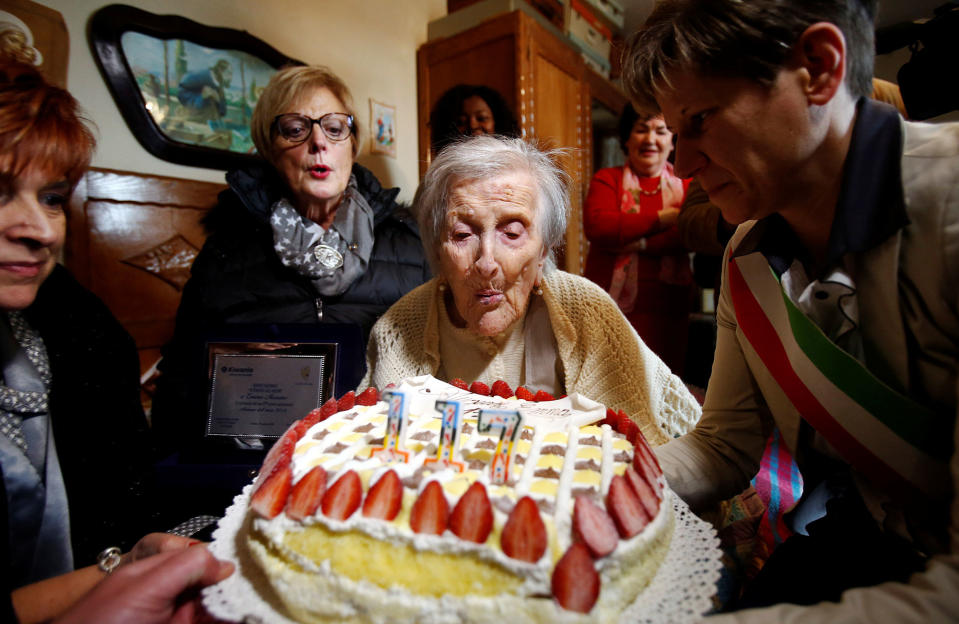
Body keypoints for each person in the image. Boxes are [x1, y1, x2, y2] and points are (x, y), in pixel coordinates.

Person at [623, 0, 959, 620]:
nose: (684, 165)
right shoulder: (745, 257)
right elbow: (723, 446)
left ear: (819, 68)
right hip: (863, 534)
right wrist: (601, 479)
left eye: (699, 120)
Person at [0, 60, 228, 622]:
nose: (42, 230)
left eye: (52, 198)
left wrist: (126, 563)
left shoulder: (76, 330)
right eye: (0, 192)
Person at [152, 65, 430, 469]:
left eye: (335, 128)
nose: (319, 142)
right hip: (256, 471)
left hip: (379, 467)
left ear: (353, 144)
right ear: (269, 148)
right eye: (295, 129)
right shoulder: (225, 254)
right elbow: (181, 382)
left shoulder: (411, 245)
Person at [362, 135, 701, 446]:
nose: (486, 262)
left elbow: (648, 441)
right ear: (437, 249)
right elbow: (378, 447)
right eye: (463, 235)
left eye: (512, 233)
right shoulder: (401, 325)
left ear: (543, 252)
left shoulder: (584, 310)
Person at [583, 104, 695, 375]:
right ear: (626, 139)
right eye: (641, 130)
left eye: (661, 131)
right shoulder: (607, 179)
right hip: (610, 306)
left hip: (669, 308)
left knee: (666, 386)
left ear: (672, 140)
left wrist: (640, 241)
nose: (650, 140)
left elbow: (690, 234)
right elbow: (599, 227)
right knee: (610, 380)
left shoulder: (690, 185)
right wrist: (664, 218)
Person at [428, 84, 520, 156]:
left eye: (481, 118)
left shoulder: (514, 166)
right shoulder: (442, 172)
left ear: (498, 121)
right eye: (461, 122)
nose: (472, 125)